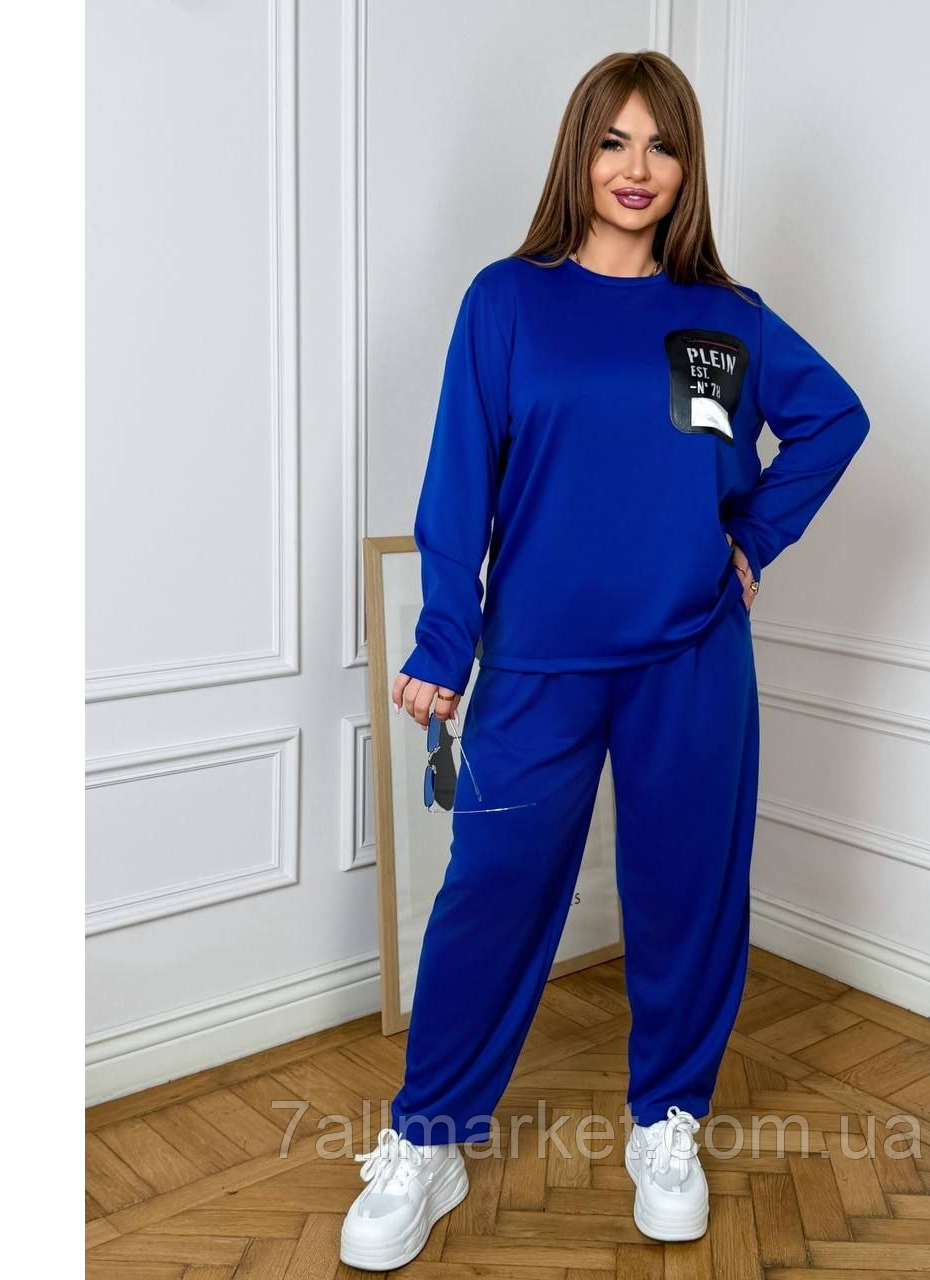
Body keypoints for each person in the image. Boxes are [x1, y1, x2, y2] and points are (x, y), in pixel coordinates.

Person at [339, 50, 871, 1271]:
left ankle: (665, 1120)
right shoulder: (507, 301)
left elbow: (832, 418)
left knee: (687, 890)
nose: (637, 168)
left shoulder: (722, 319)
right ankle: (428, 1137)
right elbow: (457, 482)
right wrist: (443, 639)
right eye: (613, 141)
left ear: (687, 167)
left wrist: (751, 537)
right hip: (539, 661)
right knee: (490, 892)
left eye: (662, 145)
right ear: (578, 155)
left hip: (691, 655)